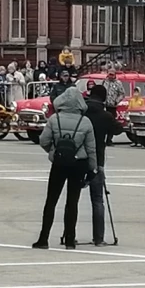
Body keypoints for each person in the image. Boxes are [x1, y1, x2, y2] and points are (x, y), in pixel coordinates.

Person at [33, 87, 97, 250]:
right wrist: (92, 169)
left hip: (59, 162)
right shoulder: (86, 122)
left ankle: (43, 238)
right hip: (78, 163)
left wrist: (53, 152)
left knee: (51, 200)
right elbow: (91, 149)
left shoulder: (55, 119)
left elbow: (43, 141)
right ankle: (70, 239)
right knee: (72, 202)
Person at [83, 85, 116, 246]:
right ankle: (98, 237)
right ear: (103, 98)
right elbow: (117, 129)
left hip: (79, 157)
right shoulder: (105, 115)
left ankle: (69, 235)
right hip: (98, 159)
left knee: (72, 197)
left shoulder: (82, 112)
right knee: (97, 199)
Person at [102, 69, 125, 145]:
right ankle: (102, 139)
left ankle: (109, 139)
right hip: (104, 105)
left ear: (115, 75)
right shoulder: (104, 82)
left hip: (112, 106)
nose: (110, 76)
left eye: (112, 74)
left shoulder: (118, 83)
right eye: (109, 74)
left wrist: (116, 101)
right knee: (103, 123)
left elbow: (122, 94)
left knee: (111, 123)